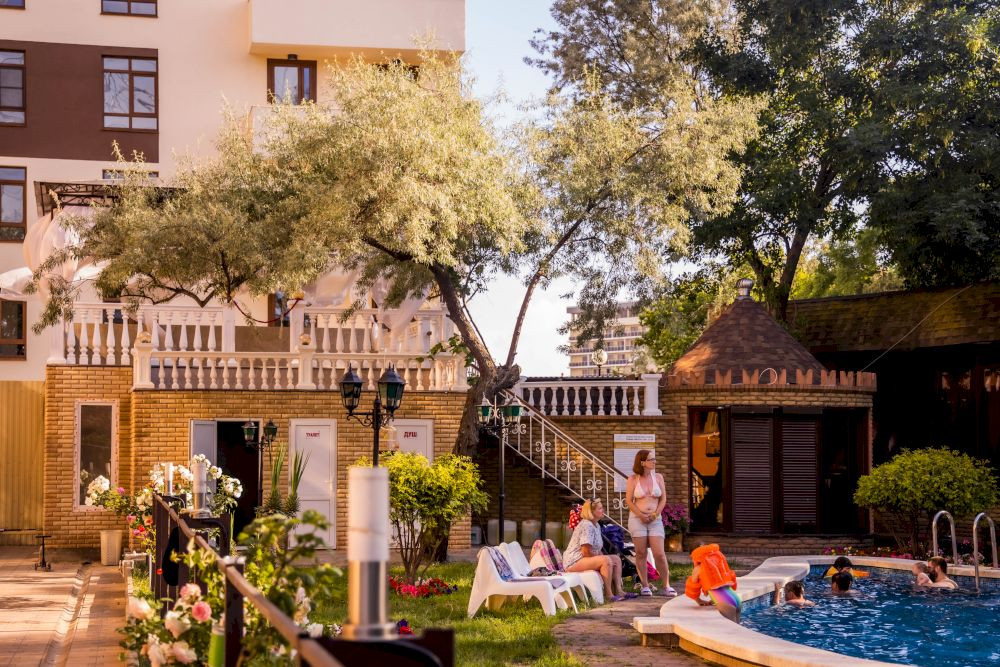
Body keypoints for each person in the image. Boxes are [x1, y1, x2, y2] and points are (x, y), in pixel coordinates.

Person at [625, 449, 676, 597]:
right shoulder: (632, 479)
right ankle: (645, 586)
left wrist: (655, 514)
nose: (654, 462)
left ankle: (666, 585)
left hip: (655, 519)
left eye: (654, 459)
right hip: (637, 519)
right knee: (641, 553)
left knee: (659, 553)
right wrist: (640, 515)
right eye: (651, 459)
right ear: (642, 462)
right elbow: (629, 500)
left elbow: (663, 499)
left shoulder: (658, 477)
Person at [563, 499, 628, 601]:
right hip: (574, 561)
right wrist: (602, 559)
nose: (603, 510)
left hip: (585, 558)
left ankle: (619, 591)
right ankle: (609, 594)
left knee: (616, 559)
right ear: (591, 512)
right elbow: (585, 552)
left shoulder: (596, 525)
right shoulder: (587, 525)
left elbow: (597, 549)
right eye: (600, 508)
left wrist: (602, 557)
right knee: (606, 561)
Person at [685, 543, 741, 622]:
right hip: (736, 598)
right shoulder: (719, 563)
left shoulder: (698, 568)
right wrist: (714, 598)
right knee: (737, 627)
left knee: (731, 628)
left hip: (724, 601)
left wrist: (699, 601)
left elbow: (692, 588)